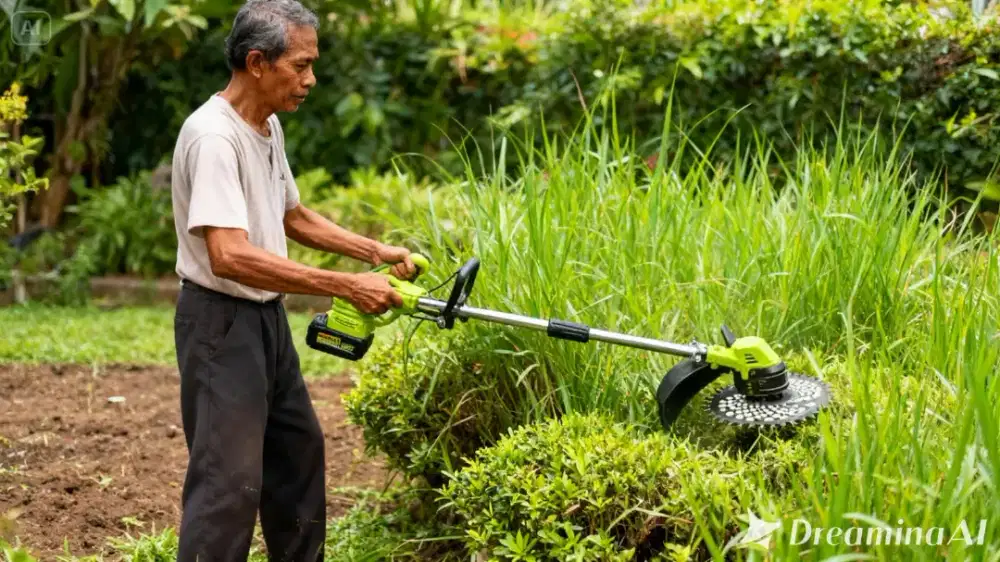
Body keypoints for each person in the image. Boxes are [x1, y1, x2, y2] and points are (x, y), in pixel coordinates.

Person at [169, 1, 417, 560]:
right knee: (226, 487)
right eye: (300, 65)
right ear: (257, 62)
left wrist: (374, 251)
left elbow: (292, 215)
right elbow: (229, 255)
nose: (310, 79)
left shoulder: (265, 124)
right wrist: (348, 286)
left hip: (266, 322)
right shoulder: (214, 137)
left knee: (297, 459)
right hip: (220, 324)